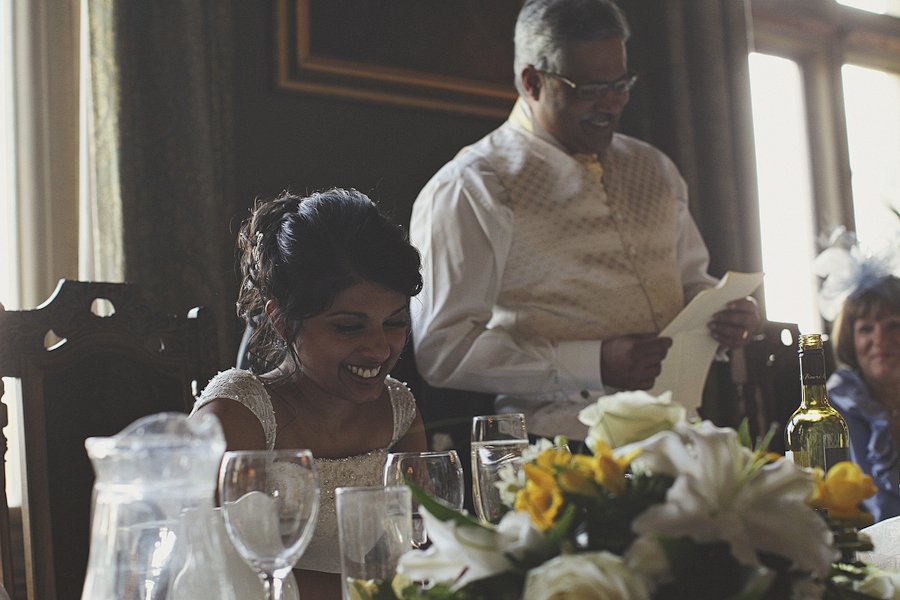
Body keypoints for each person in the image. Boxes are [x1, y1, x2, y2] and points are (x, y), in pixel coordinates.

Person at [410, 0, 758, 439]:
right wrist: (594, 363)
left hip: (678, 436)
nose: (611, 104)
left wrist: (723, 315)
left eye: (621, 84)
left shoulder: (655, 167)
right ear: (532, 81)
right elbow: (443, 349)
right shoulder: (473, 185)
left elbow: (691, 284)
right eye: (590, 89)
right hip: (555, 448)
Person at [193, 188, 428, 598]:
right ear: (282, 320)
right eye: (349, 327)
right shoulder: (235, 415)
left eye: (394, 323)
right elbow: (219, 571)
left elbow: (418, 548)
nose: (379, 349)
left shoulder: (399, 410)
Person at [827, 275, 900, 522]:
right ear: (850, 339)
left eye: (893, 325)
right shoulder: (839, 403)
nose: (879, 339)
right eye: (866, 329)